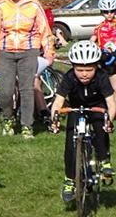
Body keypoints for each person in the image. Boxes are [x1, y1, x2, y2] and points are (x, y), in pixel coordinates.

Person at [0, 0, 54, 139]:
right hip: (6, 51)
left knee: (27, 90)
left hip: (28, 51)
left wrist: (49, 51)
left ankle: (27, 125)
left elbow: (44, 28)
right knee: (6, 91)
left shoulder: (33, 4)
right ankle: (8, 119)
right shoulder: (1, 6)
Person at [50, 40, 116, 202]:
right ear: (73, 67)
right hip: (75, 107)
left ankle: (104, 160)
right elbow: (58, 101)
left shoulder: (101, 77)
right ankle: (70, 180)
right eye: (80, 70)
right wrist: (54, 119)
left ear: (96, 67)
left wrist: (110, 120)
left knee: (101, 126)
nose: (84, 74)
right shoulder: (69, 78)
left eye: (89, 69)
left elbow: (111, 103)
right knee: (70, 143)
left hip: (97, 107)